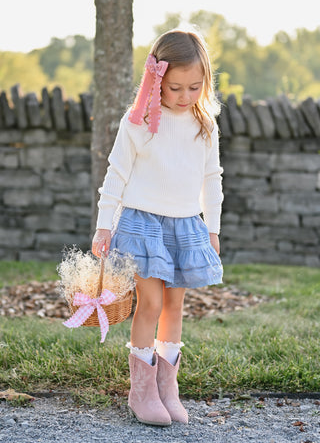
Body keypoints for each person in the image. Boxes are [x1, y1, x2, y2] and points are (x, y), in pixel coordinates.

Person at [91, 29, 224, 426]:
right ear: (156, 79)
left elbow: (212, 177)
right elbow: (115, 175)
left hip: (185, 225)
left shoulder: (205, 125)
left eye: (194, 87)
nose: (185, 96)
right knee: (148, 303)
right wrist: (103, 227)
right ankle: (142, 391)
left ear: (205, 83)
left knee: (175, 304)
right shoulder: (138, 123)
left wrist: (212, 229)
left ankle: (168, 387)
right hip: (142, 223)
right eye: (175, 87)